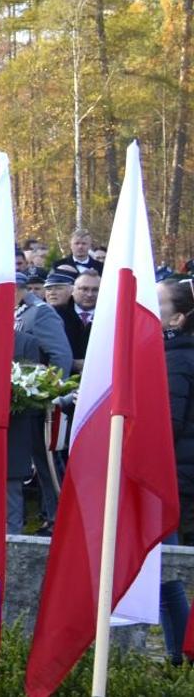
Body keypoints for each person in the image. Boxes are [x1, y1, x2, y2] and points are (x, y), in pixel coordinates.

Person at [7, 271, 73, 535]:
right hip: (23, 402)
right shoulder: (21, 312)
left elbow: (60, 355)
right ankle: (51, 515)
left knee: (47, 462)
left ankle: (60, 517)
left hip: (38, 401)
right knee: (35, 461)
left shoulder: (40, 312)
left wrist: (51, 394)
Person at [160, 278, 194, 661]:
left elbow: (167, 424)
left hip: (173, 476)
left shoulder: (176, 360)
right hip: (180, 473)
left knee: (164, 570)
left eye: (158, 303)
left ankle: (179, 655)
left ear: (178, 318)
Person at [45, 268, 87, 368]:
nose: (52, 293)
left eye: (58, 288)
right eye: (49, 289)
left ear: (72, 290)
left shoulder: (74, 316)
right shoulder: (42, 315)